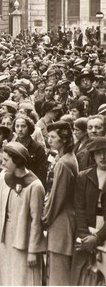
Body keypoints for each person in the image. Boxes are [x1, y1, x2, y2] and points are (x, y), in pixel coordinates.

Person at [0, 142, 46, 285]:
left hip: (24, 240)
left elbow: (36, 221)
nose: (3, 163)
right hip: (5, 238)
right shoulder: (3, 178)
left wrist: (33, 251)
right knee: (7, 277)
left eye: (6, 160)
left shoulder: (35, 186)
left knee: (23, 278)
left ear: (17, 161)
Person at [43, 121, 78, 285]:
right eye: (48, 136)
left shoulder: (64, 163)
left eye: (53, 137)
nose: (49, 140)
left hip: (62, 223)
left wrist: (44, 219)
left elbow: (57, 198)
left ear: (63, 139)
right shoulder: (66, 158)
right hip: (63, 220)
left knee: (58, 276)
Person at [72, 136, 106, 285]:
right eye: (98, 153)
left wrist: (97, 238)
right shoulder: (84, 177)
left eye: (105, 152)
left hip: (103, 231)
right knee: (83, 273)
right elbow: (79, 208)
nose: (103, 157)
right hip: (86, 231)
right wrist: (85, 236)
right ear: (93, 155)